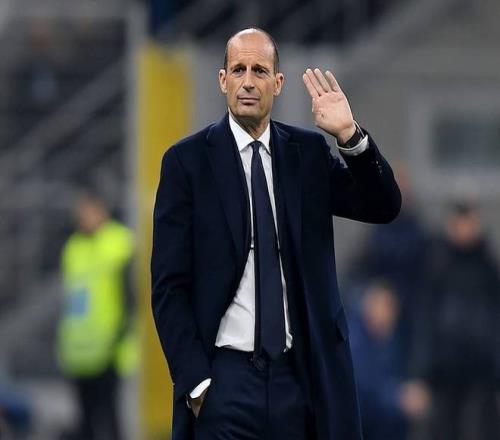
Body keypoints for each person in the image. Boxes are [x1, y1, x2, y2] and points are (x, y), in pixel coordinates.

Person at [151, 28, 401, 440]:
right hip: (223, 382)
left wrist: (349, 136)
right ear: (223, 80)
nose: (248, 81)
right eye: (238, 70)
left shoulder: (308, 154)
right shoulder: (186, 163)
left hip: (298, 380)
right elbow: (168, 285)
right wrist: (195, 381)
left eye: (260, 71)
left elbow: (383, 206)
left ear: (278, 83)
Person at [412, 201, 500, 440]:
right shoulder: (436, 263)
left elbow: (495, 319)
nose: (464, 228)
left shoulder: (488, 266)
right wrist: (419, 371)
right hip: (444, 369)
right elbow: (424, 318)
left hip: (481, 370)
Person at [57, 191, 135, 440]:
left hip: (109, 349)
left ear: (102, 209)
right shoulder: (73, 247)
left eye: (89, 209)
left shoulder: (118, 242)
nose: (83, 215)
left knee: (110, 418)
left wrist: (120, 334)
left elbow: (130, 296)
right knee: (85, 421)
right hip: (78, 352)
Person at [349, 279, 430, 440]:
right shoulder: (354, 341)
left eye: (393, 308)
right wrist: (398, 398)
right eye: (385, 306)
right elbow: (363, 391)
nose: (390, 314)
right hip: (362, 425)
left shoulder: (391, 338)